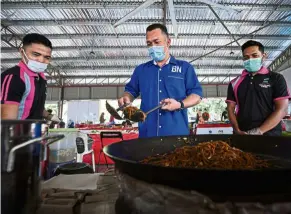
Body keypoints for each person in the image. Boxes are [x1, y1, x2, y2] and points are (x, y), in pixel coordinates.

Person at [118, 23, 202, 138]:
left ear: (168, 42)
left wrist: (179, 104)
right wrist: (127, 98)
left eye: (157, 42)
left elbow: (196, 96)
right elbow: (131, 91)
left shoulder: (185, 68)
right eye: (149, 43)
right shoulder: (141, 70)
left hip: (176, 135)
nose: (153, 47)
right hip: (147, 135)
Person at [226, 40, 290, 136]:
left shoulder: (276, 78)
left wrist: (258, 131)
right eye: (246, 57)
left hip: (271, 135)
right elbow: (230, 109)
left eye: (255, 55)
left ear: (263, 56)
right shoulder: (234, 83)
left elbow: (282, 109)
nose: (250, 59)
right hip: (243, 135)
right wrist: (237, 130)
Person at [1, 33, 55, 120]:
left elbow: (34, 105)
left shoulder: (41, 78)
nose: (41, 60)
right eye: (36, 54)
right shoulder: (14, 77)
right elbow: (7, 121)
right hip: (18, 133)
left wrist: (50, 116)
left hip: (34, 131)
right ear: (22, 52)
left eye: (47, 57)